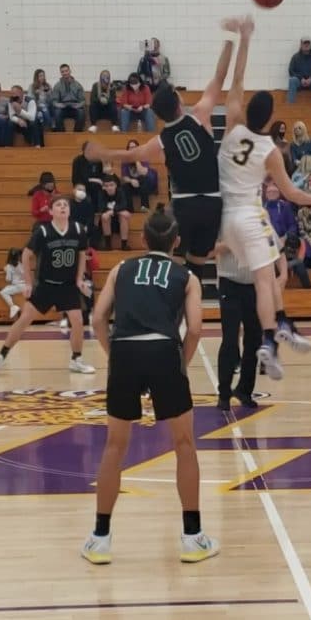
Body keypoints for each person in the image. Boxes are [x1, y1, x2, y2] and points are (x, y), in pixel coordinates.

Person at [80, 209, 218, 565]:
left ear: (142, 240)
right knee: (184, 444)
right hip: (163, 350)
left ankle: (100, 538)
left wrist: (113, 353)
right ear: (176, 242)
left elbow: (97, 318)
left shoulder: (120, 269)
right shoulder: (186, 276)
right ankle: (192, 537)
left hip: (125, 349)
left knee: (115, 446)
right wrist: (180, 365)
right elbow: (197, 329)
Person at [88, 17, 241, 287]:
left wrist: (102, 153)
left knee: (177, 265)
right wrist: (230, 40)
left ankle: (175, 314)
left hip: (183, 204)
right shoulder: (200, 116)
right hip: (212, 203)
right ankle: (191, 309)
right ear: (179, 104)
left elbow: (130, 156)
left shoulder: (161, 139)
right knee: (197, 264)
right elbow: (220, 77)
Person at [218, 17, 311, 380]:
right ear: (271, 120)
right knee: (267, 280)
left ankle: (281, 327)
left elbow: (236, 80)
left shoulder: (232, 124)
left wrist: (243, 39)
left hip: (226, 220)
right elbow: (293, 193)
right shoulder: (270, 150)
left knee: (267, 274)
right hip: (250, 214)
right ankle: (269, 339)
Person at [0, 195, 95, 376]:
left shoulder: (77, 229)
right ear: (51, 211)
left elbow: (82, 253)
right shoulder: (43, 232)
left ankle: (76, 359)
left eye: (65, 205)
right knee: (24, 319)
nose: (62, 207)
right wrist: (28, 282)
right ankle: (1, 356)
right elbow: (26, 255)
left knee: (78, 320)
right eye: (58, 205)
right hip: (46, 285)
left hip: (67, 285)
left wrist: (79, 279)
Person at [215, 243, 262, 411]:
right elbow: (212, 249)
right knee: (230, 339)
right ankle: (224, 394)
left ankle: (245, 390)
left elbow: (272, 244)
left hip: (254, 283)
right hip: (229, 282)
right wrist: (230, 244)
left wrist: (282, 271)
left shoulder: (259, 217)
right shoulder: (222, 218)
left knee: (254, 339)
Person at [287, 37, 311, 104]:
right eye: (304, 43)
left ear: (310, 45)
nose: (306, 45)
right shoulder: (295, 57)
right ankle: (290, 107)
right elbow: (291, 71)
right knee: (292, 80)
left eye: (308, 43)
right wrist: (301, 78)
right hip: (300, 82)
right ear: (301, 45)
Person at [51, 64, 86, 132]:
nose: (65, 73)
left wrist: (78, 105)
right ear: (61, 73)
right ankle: (62, 134)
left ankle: (76, 134)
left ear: (70, 71)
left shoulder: (78, 85)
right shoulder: (57, 86)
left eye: (66, 71)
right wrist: (59, 105)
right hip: (63, 108)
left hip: (74, 108)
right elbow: (54, 101)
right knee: (57, 113)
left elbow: (83, 100)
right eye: (63, 71)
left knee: (81, 113)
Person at [0, 247, 27, 319]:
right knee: (7, 288)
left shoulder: (9, 266)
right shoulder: (21, 264)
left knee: (3, 292)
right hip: (24, 285)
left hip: (18, 286)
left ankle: (12, 306)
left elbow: (8, 279)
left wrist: (6, 271)